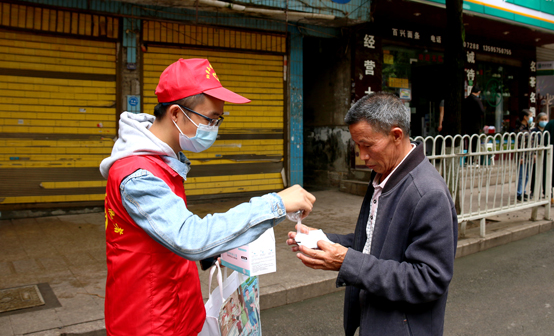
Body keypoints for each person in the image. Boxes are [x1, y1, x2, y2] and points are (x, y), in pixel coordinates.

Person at [100, 58, 315, 336]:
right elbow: (189, 237)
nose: (214, 128)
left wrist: (217, 247)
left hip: (177, 310)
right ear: (176, 114)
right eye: (210, 119)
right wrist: (276, 203)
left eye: (218, 120)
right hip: (150, 322)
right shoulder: (139, 174)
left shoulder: (164, 161)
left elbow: (166, 235)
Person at [287, 92, 458, 336]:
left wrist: (347, 262)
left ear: (396, 135)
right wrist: (324, 239)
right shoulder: (383, 175)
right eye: (357, 145)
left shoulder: (427, 193)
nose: (362, 156)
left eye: (368, 145)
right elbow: (375, 241)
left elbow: (428, 279)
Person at [530, 112, 549, 198]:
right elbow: (532, 143)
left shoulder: (548, 131)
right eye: (542, 119)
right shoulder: (534, 131)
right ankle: (533, 191)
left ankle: (547, 192)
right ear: (538, 120)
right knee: (535, 174)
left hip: (546, 155)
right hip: (537, 156)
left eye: (545, 119)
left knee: (547, 174)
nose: (544, 121)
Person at [516, 109, 533, 201]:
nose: (531, 118)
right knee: (522, 175)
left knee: (527, 175)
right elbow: (519, 145)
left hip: (529, 155)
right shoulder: (520, 129)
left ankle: (523, 191)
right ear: (525, 117)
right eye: (530, 116)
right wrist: (521, 157)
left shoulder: (528, 128)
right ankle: (519, 193)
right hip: (523, 156)